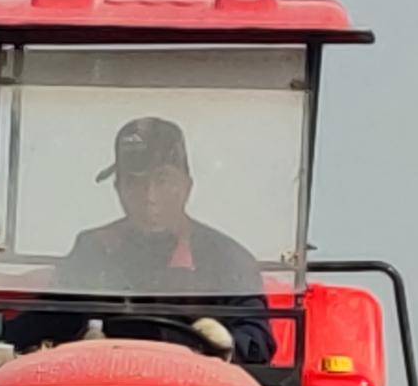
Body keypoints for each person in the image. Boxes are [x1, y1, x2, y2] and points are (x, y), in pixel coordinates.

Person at [55, 113, 267, 298]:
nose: (150, 196)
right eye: (134, 182)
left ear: (187, 186)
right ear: (118, 187)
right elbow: (45, 319)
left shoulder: (227, 259)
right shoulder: (93, 249)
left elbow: (253, 337)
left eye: (162, 180)